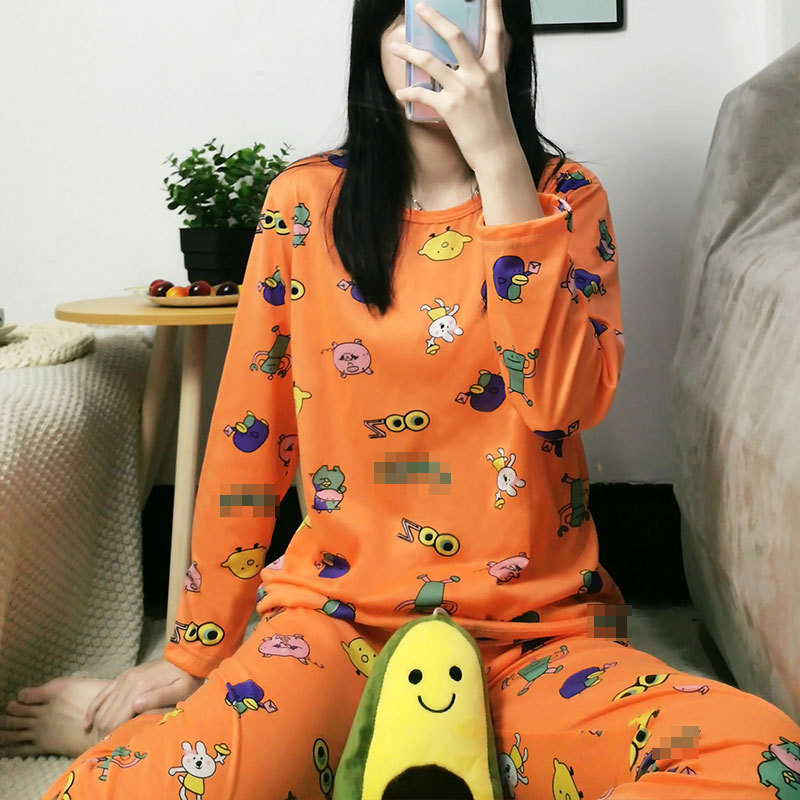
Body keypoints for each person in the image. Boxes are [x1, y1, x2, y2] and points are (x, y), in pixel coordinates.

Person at [5, 0, 799, 797]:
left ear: (506, 37)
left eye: (463, 12)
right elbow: (252, 435)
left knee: (768, 763)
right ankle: (153, 727)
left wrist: (500, 164)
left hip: (530, 644)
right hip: (335, 632)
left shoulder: (568, 198)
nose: (437, 42)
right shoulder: (304, 204)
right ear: (374, 33)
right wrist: (193, 653)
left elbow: (560, 400)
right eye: (413, 14)